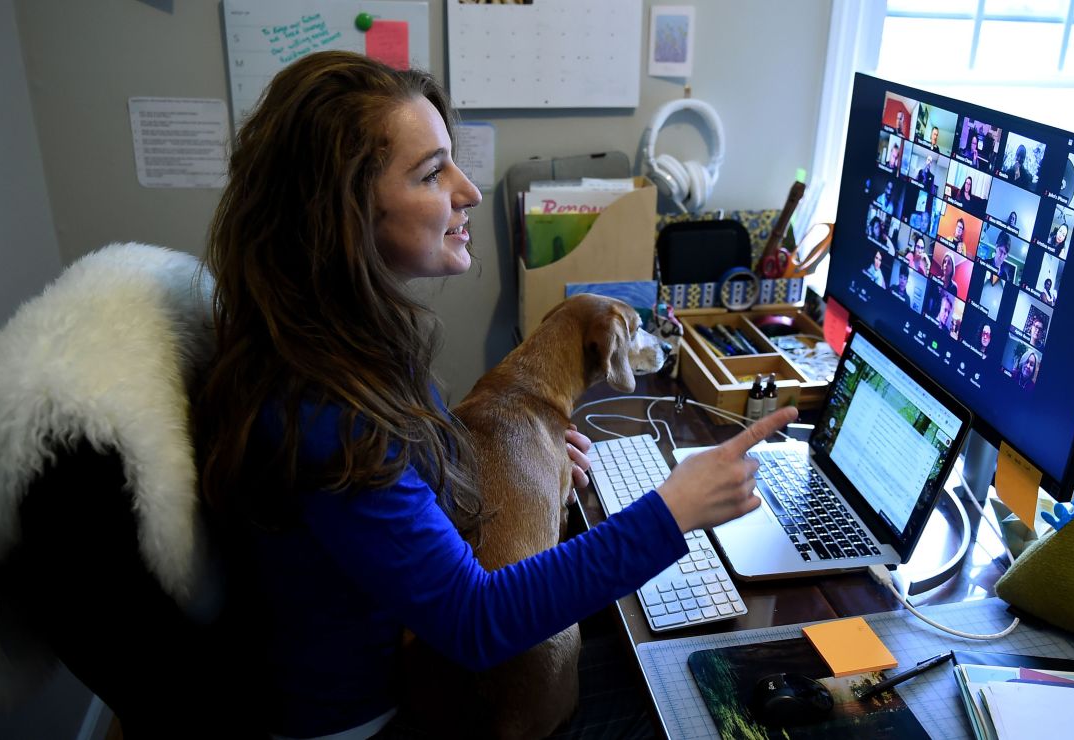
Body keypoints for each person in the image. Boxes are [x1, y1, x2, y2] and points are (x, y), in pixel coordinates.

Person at [192, 51, 799, 740]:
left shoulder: (342, 353)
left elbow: (402, 510)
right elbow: (476, 621)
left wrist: (532, 469)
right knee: (724, 698)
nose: (469, 191)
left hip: (416, 666)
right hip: (385, 720)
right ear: (341, 212)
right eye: (431, 173)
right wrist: (672, 511)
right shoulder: (325, 409)